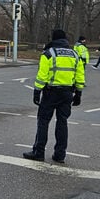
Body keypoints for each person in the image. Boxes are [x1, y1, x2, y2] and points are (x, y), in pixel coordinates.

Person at [24, 28, 85, 164]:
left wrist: (37, 91)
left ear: (53, 39)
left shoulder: (49, 54)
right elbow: (80, 75)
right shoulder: (75, 55)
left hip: (51, 93)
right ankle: (60, 154)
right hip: (68, 93)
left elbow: (42, 75)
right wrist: (79, 93)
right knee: (62, 122)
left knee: (43, 121)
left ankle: (38, 152)